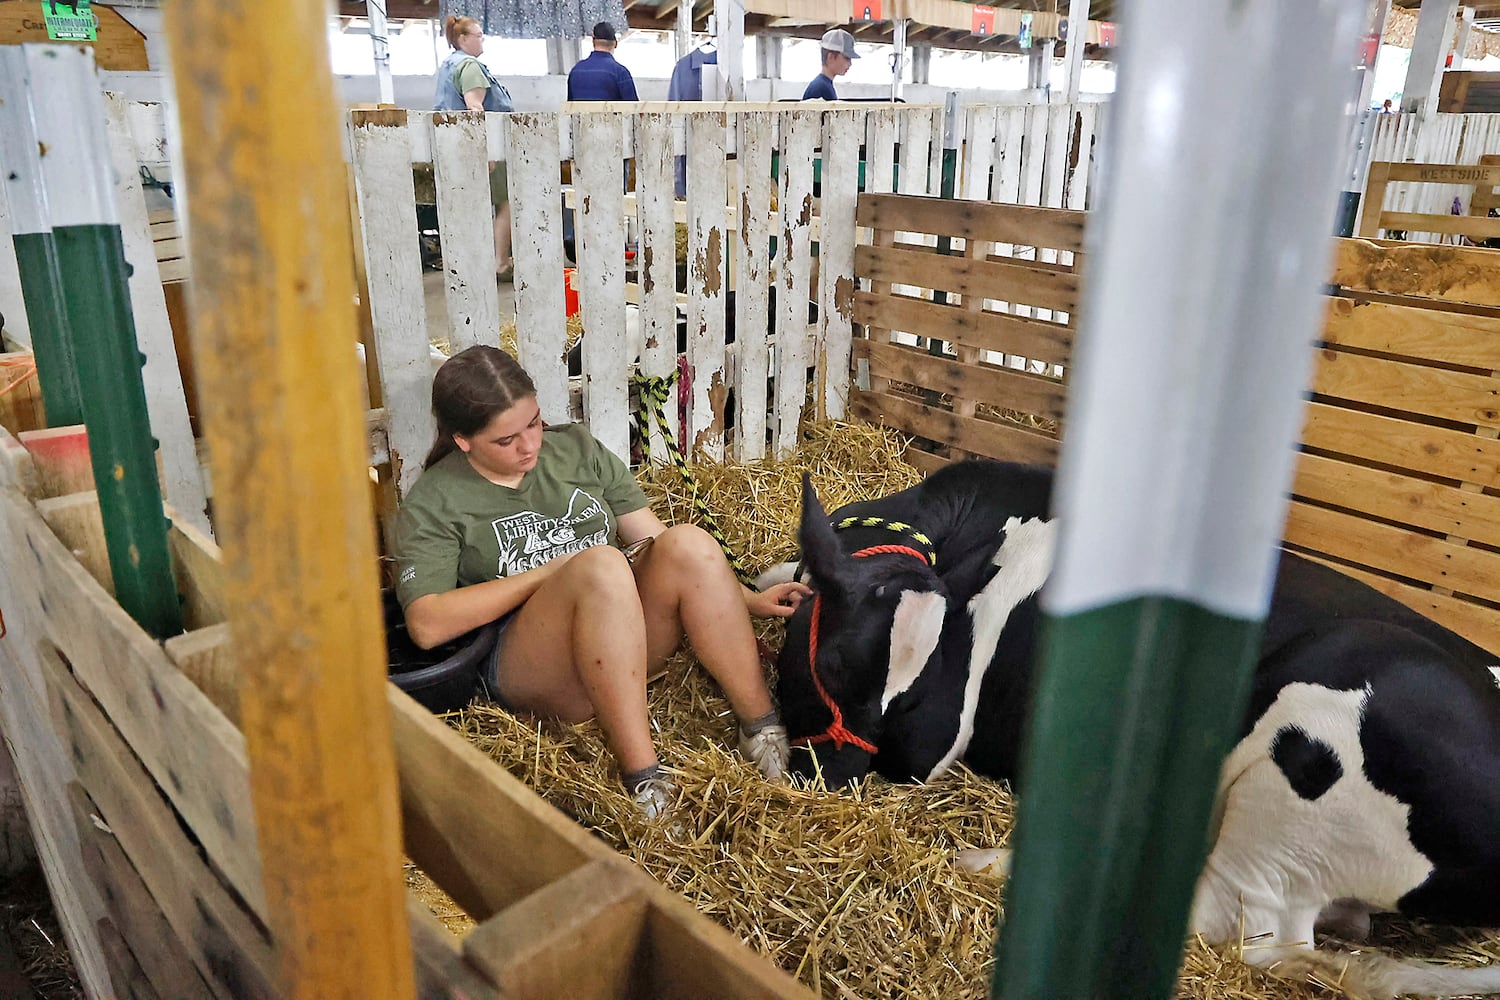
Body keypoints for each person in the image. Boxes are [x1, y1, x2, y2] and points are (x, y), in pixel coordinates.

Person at [394, 346, 811, 821]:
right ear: (463, 441)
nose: (530, 446)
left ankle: (761, 730)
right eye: (506, 440)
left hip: (620, 641)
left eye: (534, 423)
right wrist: (552, 572)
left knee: (688, 542)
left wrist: (748, 599)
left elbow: (654, 539)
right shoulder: (435, 501)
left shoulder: (574, 448)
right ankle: (645, 780)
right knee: (603, 566)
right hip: (534, 669)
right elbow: (426, 624)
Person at [435, 16, 515, 281]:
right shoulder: (469, 66)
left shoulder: (448, 65)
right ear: (463, 38)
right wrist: (487, 151)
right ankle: (499, 263)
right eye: (479, 35)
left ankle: (466, 264)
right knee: (506, 204)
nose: (482, 40)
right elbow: (475, 109)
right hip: (482, 147)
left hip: (453, 145)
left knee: (466, 206)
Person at [567, 21, 639, 102]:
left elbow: (570, 106)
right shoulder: (620, 72)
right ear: (615, 44)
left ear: (593, 42)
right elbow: (634, 109)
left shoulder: (576, 71)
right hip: (609, 115)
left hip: (581, 115)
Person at [803, 28, 858, 101]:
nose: (850, 64)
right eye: (847, 58)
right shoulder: (821, 87)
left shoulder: (823, 84)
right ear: (830, 57)